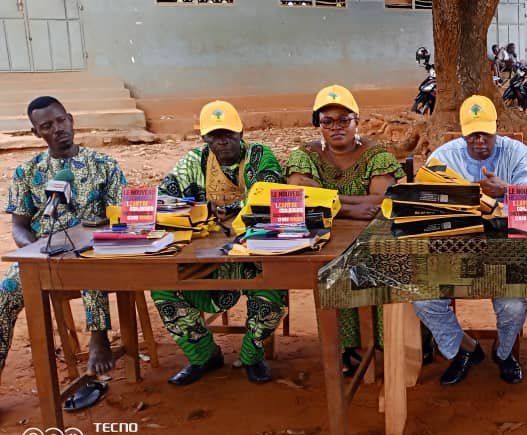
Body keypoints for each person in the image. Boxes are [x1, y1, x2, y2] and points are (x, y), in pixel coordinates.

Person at [152, 100, 287, 385]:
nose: (222, 141)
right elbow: (165, 199)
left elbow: (266, 196)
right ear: (204, 138)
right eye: (214, 135)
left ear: (240, 132)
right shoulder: (194, 162)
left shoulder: (261, 156)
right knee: (162, 286)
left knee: (274, 283)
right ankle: (203, 355)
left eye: (227, 133)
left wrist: (233, 208)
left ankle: (252, 355)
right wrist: (191, 210)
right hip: (204, 254)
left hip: (253, 249)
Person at [1, 96, 125, 405]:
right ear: (36, 133)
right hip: (46, 252)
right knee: (3, 294)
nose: (57, 129)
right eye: (46, 126)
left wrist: (103, 233)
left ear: (70, 119)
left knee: (87, 264)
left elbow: (122, 215)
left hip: (95, 251)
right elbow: (19, 224)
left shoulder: (104, 165)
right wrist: (32, 248)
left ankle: (98, 339)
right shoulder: (26, 172)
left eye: (60, 121)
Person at [413, 95, 527, 385]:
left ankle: (503, 353)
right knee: (424, 300)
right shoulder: (443, 158)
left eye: (485, 133)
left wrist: (505, 189)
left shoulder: (517, 154)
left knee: (513, 308)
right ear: (463, 131)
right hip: (452, 252)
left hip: (506, 253)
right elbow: (427, 204)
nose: (479, 140)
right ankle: (465, 349)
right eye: (472, 134)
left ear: (497, 129)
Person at [285, 85, 405, 376]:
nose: (336, 127)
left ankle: (383, 344)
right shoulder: (305, 155)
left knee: (383, 269)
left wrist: (324, 200)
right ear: (318, 125)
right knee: (331, 272)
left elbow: (380, 203)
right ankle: (345, 347)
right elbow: (297, 197)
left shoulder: (378, 154)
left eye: (344, 119)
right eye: (327, 121)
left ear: (357, 121)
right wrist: (348, 208)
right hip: (325, 240)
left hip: (373, 238)